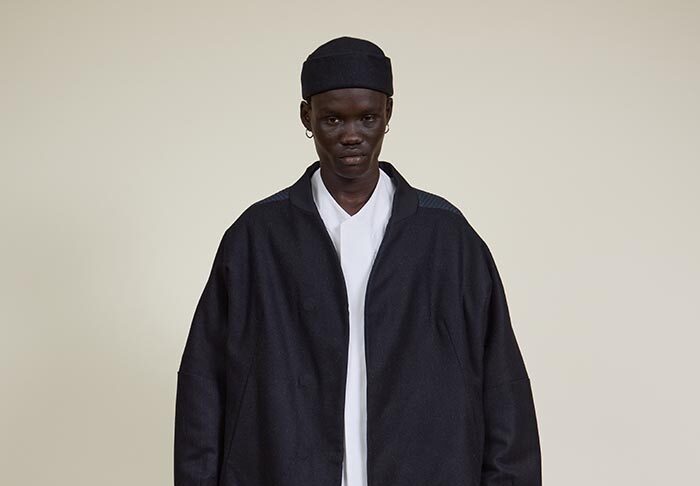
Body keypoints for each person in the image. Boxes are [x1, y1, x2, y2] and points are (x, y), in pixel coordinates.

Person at [174, 36, 542, 486]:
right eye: (332, 119)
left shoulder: (448, 238)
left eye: (367, 117)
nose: (351, 135)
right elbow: (203, 388)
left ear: (388, 113)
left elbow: (504, 394)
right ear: (306, 116)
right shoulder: (255, 239)